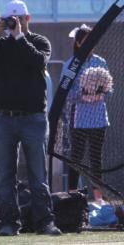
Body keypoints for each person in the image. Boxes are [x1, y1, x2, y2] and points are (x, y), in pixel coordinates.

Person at [0, 0, 61, 237]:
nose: (15, 23)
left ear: (28, 18)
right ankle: (8, 222)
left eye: (19, 19)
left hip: (33, 118)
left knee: (37, 174)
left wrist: (20, 37)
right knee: (5, 175)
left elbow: (39, 62)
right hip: (4, 118)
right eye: (11, 19)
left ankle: (45, 222)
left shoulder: (39, 41)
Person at [64, 24, 109, 205]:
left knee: (96, 158)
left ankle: (98, 198)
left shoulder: (101, 62)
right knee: (76, 157)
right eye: (85, 41)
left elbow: (110, 90)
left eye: (92, 41)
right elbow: (66, 94)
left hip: (98, 116)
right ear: (78, 42)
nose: (89, 45)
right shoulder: (71, 63)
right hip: (79, 117)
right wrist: (84, 92)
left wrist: (100, 90)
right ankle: (73, 197)